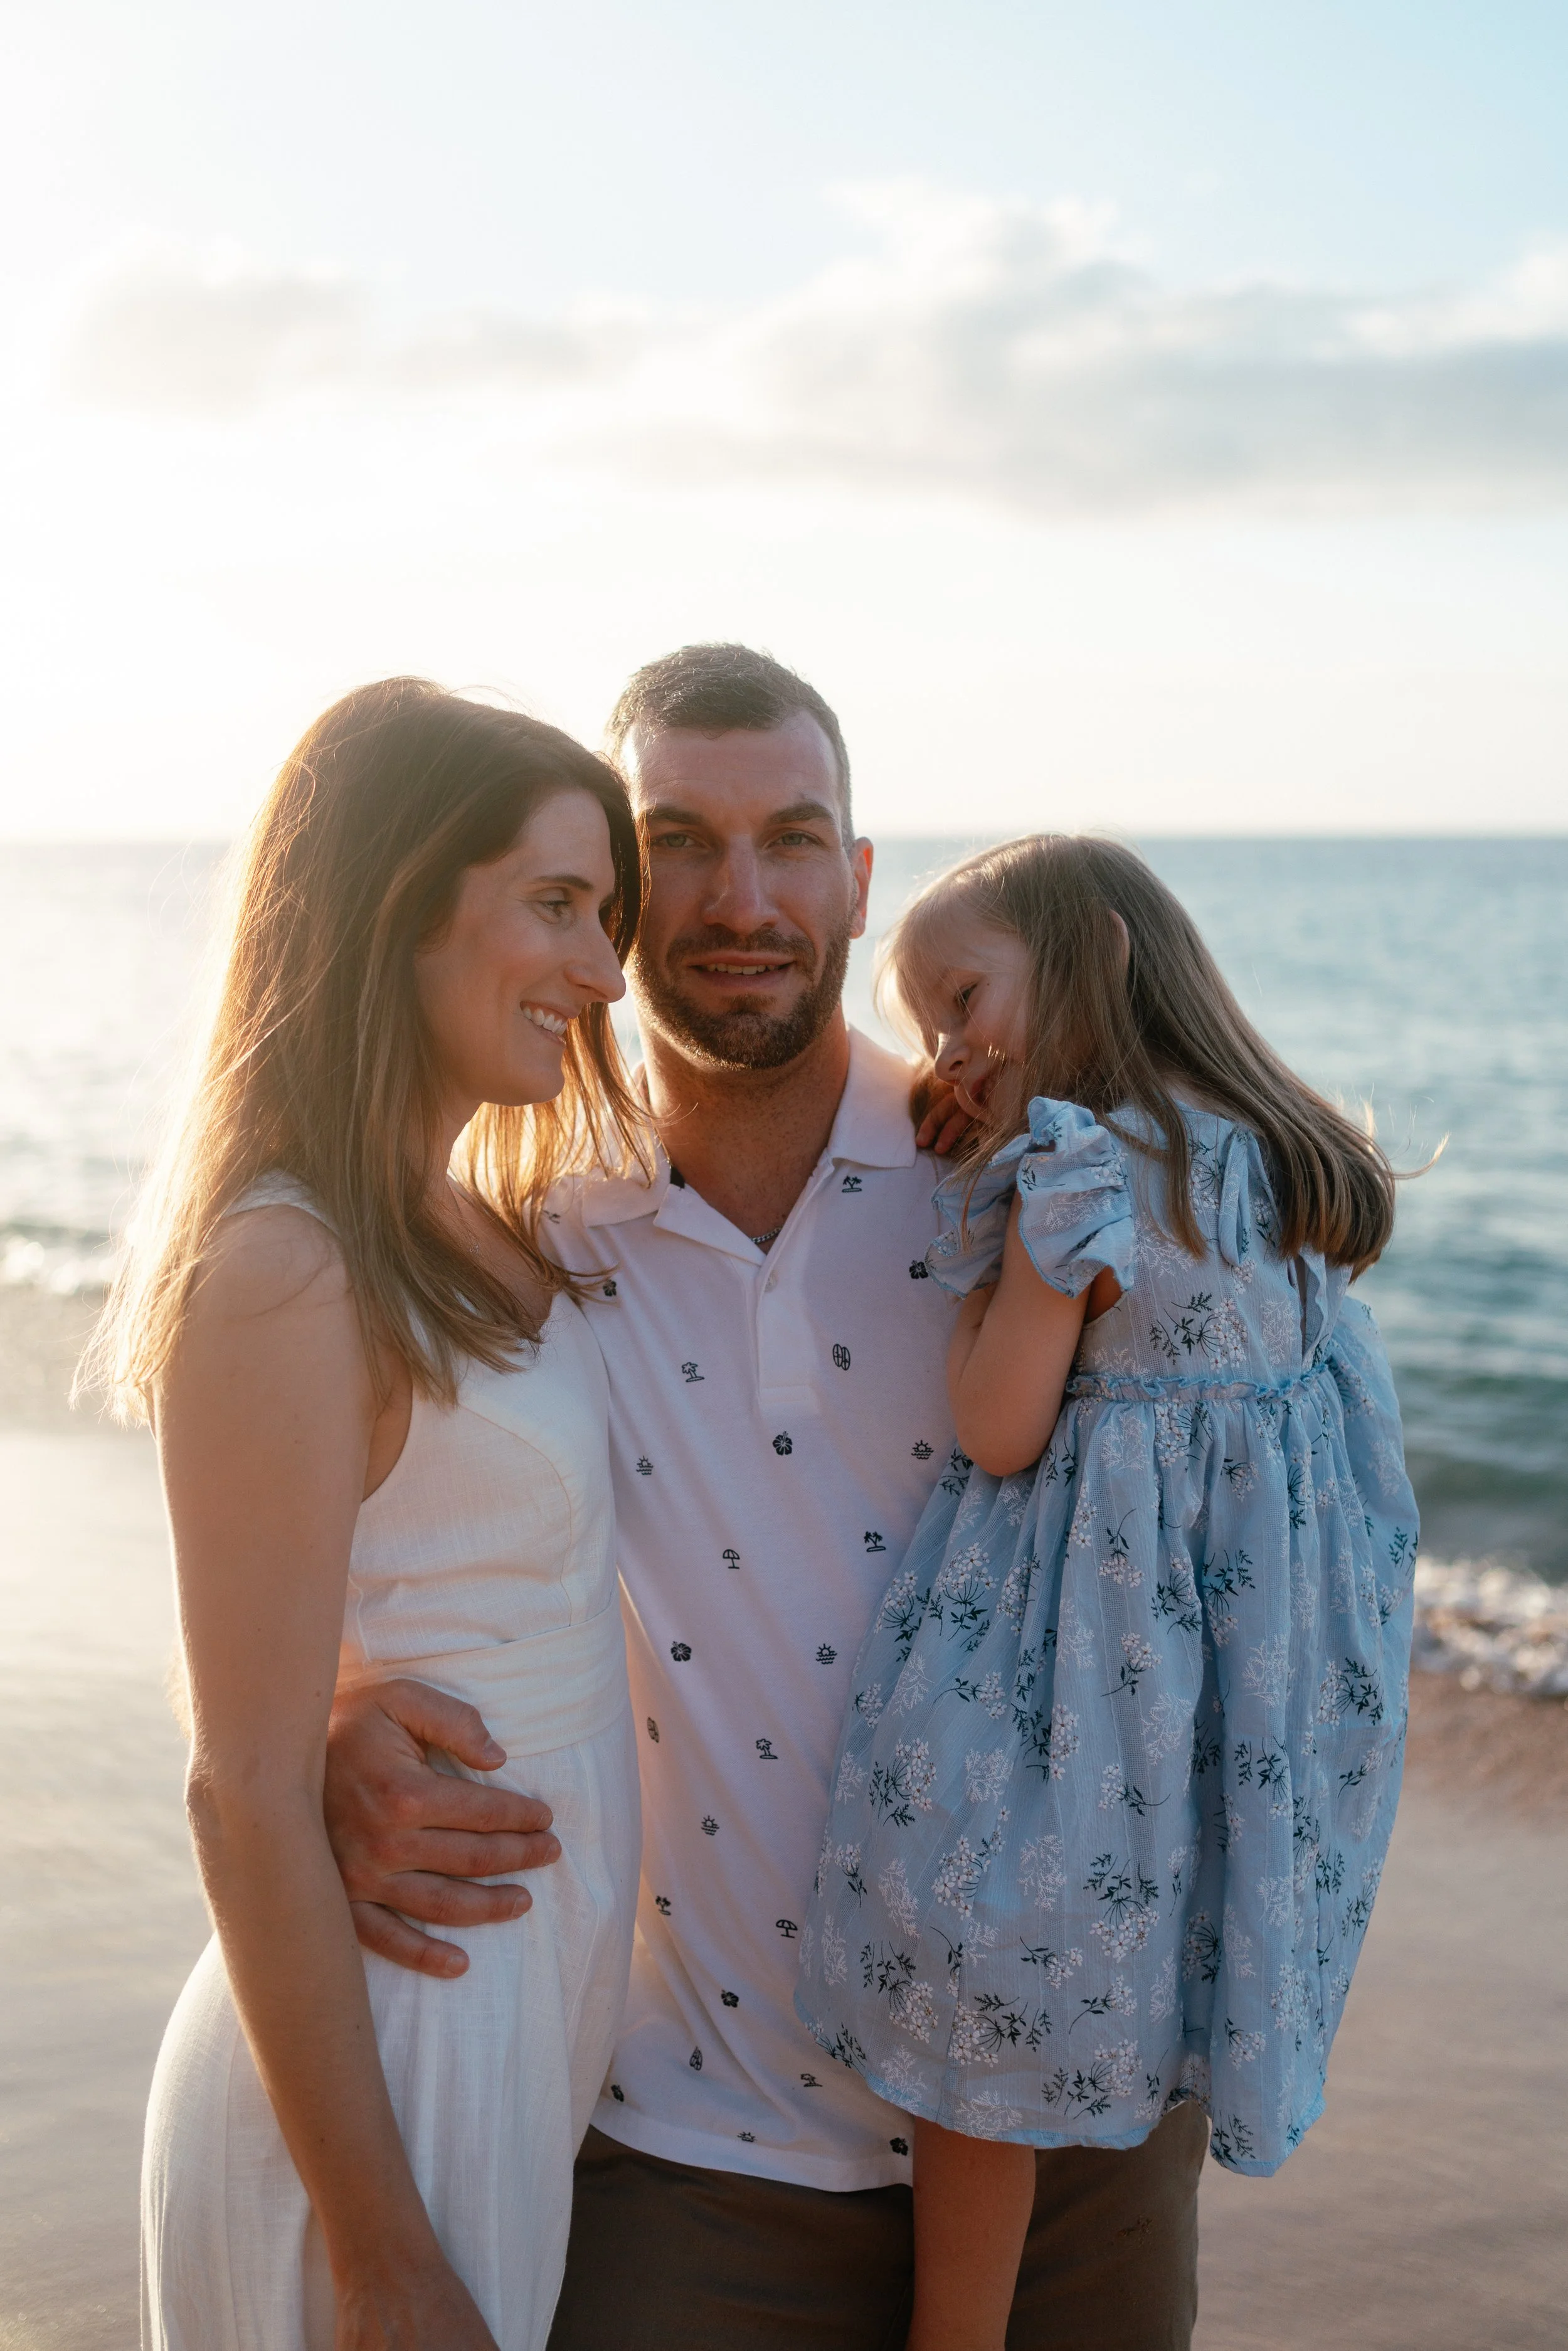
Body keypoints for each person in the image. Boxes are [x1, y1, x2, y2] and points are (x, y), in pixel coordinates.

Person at [323, 647, 1210, 2350]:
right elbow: (311, 1531)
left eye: (793, 837)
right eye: (681, 840)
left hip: (1074, 2107)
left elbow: (1253, 1500)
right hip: (695, 2146)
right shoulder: (528, 1232)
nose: (743, 898)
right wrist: (334, 1716)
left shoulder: (1022, 1182)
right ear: (606, 888)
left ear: (862, 880)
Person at [796, 834, 1419, 2351]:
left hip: (1082, 1661)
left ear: (1094, 963)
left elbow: (1000, 1425)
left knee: (983, 1997)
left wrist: (1000, 1240)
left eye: (960, 996)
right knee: (1158, 1943)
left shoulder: (1067, 1169)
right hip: (1248, 1680)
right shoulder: (1279, 1154)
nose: (945, 1047)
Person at [90, 679, 649, 2350]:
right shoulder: (287, 1261)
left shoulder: (472, 1221)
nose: (605, 971)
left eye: (608, 915)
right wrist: (382, 2251)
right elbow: (240, 1781)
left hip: (501, 2005)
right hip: (390, 2057)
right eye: (555, 904)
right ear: (399, 907)